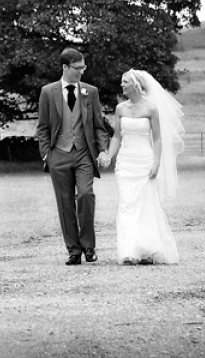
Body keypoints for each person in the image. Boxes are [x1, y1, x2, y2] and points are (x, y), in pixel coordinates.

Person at [98, 69, 185, 265]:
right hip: (125, 163)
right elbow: (117, 136)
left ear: (136, 85)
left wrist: (156, 163)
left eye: (125, 82)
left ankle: (147, 250)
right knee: (127, 205)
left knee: (146, 204)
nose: (122, 85)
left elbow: (157, 138)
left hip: (144, 161)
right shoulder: (120, 109)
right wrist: (109, 156)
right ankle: (129, 251)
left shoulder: (151, 109)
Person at [36, 48, 110, 265]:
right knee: (64, 202)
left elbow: (99, 126)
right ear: (65, 67)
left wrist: (103, 149)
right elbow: (42, 127)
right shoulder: (48, 92)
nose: (81, 72)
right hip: (58, 154)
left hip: (84, 154)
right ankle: (74, 250)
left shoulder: (91, 92)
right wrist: (46, 155)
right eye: (77, 68)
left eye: (83, 68)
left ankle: (89, 246)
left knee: (86, 195)